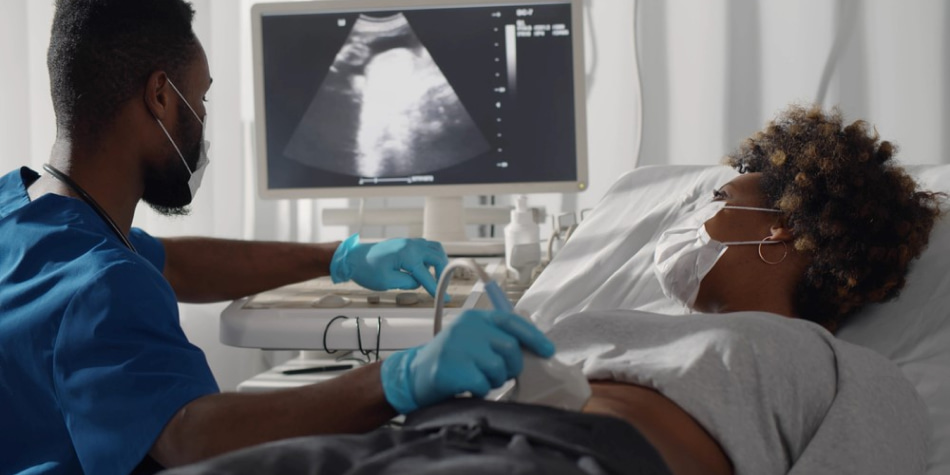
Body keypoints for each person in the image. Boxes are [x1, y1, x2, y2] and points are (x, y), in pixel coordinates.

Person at [160, 105, 944, 475]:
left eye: (719, 199)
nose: (695, 216)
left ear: (779, 226)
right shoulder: (615, 316)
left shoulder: (850, 372)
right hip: (415, 444)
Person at [0, 1, 556, 474]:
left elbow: (174, 266)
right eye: (204, 98)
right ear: (162, 98)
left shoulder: (23, 210)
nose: (204, 119)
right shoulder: (99, 289)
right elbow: (191, 437)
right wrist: (400, 377)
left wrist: (339, 257)